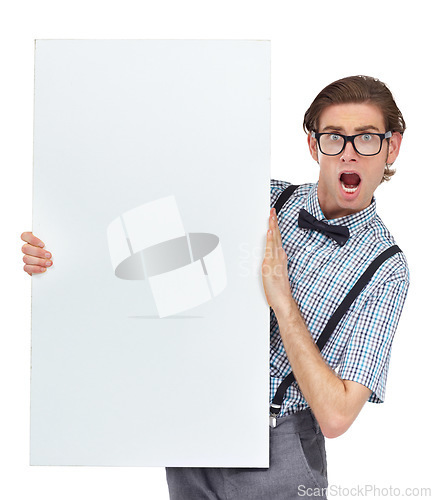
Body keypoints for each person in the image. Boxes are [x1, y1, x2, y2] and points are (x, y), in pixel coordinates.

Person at [21, 75, 409, 499]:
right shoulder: (258, 199)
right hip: (194, 429)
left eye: (367, 138)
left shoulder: (387, 268)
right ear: (314, 146)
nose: (349, 154)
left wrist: (283, 302)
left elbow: (336, 417)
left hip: (279, 452)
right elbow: (148, 235)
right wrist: (60, 257)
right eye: (335, 137)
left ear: (392, 146)